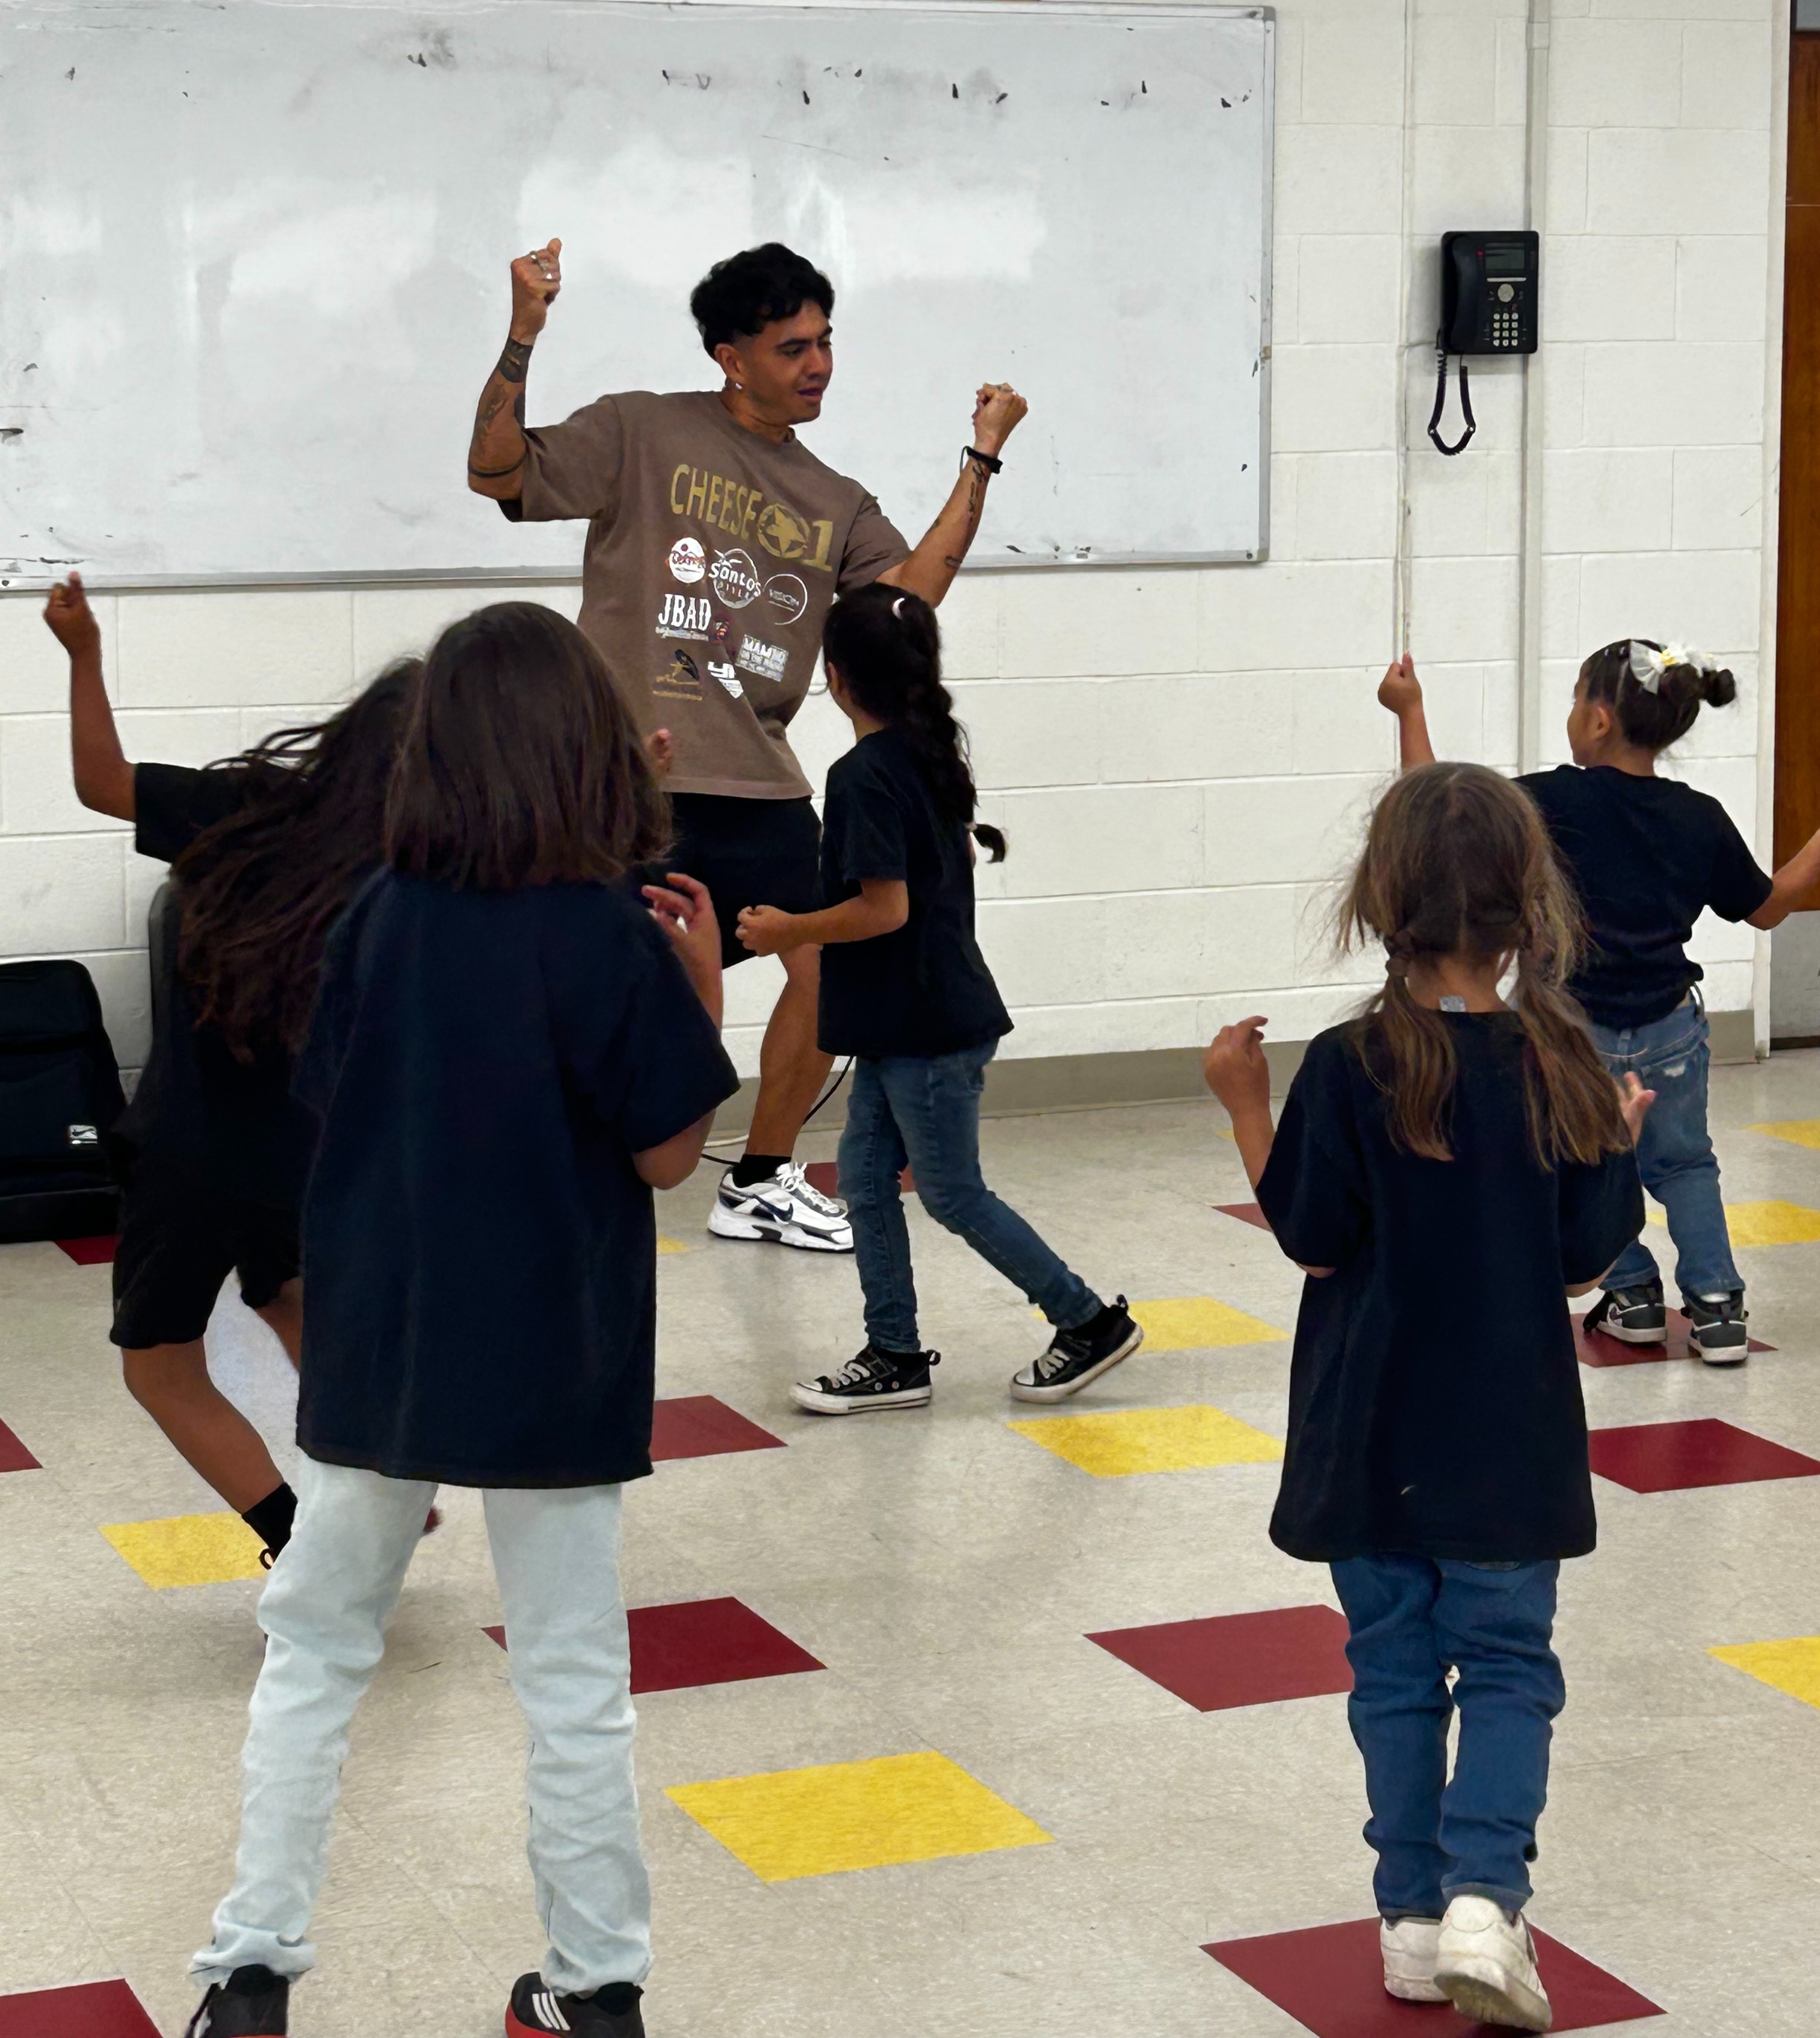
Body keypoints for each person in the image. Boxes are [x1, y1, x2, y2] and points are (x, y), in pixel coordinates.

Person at [184, 604, 737, 2038]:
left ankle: (252, 1975)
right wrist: (702, 990)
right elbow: (670, 1153)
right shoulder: (610, 936)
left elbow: (337, 1109)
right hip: (557, 1349)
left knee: (315, 1650)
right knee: (570, 1680)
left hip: (383, 1348)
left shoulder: (377, 915)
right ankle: (594, 1990)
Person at [463, 235, 1027, 1254]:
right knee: (583, 983)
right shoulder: (638, 430)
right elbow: (493, 470)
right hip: (632, 779)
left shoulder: (832, 497)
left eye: (822, 342)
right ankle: (551, 1170)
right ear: (730, 355)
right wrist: (522, 335)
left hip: (759, 782)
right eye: (789, 346)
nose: (815, 365)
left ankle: (759, 1181)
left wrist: (979, 457)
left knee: (826, 970)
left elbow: (905, 597)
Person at [1203, 763, 1650, 2032]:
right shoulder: (1560, 1057)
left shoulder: (1349, 1066)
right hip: (1509, 1442)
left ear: (1381, 902)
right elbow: (1583, 1260)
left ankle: (1406, 1919)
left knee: (1393, 1669)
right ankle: (1483, 1902)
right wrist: (1617, 1139)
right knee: (1509, 1666)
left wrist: (1247, 1106)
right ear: (1528, 910)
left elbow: (1311, 1234)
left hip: (1371, 1434)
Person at [42, 572, 419, 1566]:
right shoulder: (418, 861)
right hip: (319, 1155)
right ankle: (380, 1465)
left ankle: (299, 1542)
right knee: (284, 1294)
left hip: (195, 1149)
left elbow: (99, 782)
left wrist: (83, 656)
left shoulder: (246, 806)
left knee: (160, 1366)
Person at [735, 583, 1141, 1411]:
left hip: (927, 1030)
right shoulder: (925, 756)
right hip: (908, 1024)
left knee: (952, 1192)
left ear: (837, 678)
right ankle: (894, 1353)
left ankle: (1087, 1320)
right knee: (866, 1177)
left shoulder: (863, 776)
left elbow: (886, 909)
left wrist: (790, 931)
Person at [1380, 640, 1820, 1363]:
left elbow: (1437, 815)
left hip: (1572, 1027)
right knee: (1685, 1165)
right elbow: (1767, 907)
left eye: (1577, 699)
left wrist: (1411, 710)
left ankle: (1634, 1295)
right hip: (1672, 1024)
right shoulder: (1699, 816)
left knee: (1585, 1152)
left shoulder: (1551, 802)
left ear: (1599, 721)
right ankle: (1717, 1309)